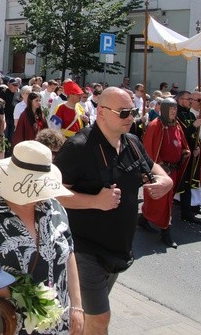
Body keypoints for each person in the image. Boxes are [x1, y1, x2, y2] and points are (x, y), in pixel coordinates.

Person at [53, 87, 173, 334]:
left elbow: (152, 167)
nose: (131, 118)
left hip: (117, 250)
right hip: (84, 251)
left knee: (85, 317)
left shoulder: (132, 142)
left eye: (133, 112)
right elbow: (54, 194)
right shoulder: (79, 147)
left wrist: (165, 180)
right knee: (100, 319)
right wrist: (95, 201)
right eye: (124, 113)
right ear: (102, 113)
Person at [0, 140, 84, 335]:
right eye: (36, 184)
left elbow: (68, 253)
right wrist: (25, 294)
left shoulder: (55, 209)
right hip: (7, 325)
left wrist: (77, 306)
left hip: (58, 324)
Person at [138, 97, 190, 248]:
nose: (174, 112)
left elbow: (181, 142)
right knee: (163, 201)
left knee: (162, 200)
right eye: (171, 109)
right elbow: (149, 150)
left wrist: (185, 151)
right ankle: (165, 232)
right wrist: (160, 166)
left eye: (175, 109)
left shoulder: (177, 125)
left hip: (173, 169)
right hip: (161, 172)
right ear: (164, 110)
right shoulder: (155, 126)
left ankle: (144, 219)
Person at [175, 91, 201, 224]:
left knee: (187, 183)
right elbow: (180, 133)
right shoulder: (176, 114)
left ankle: (186, 213)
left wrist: (197, 146)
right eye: (189, 99)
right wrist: (193, 126)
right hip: (180, 153)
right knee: (178, 183)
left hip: (192, 152)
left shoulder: (191, 114)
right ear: (181, 100)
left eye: (192, 99)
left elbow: (195, 135)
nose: (191, 101)